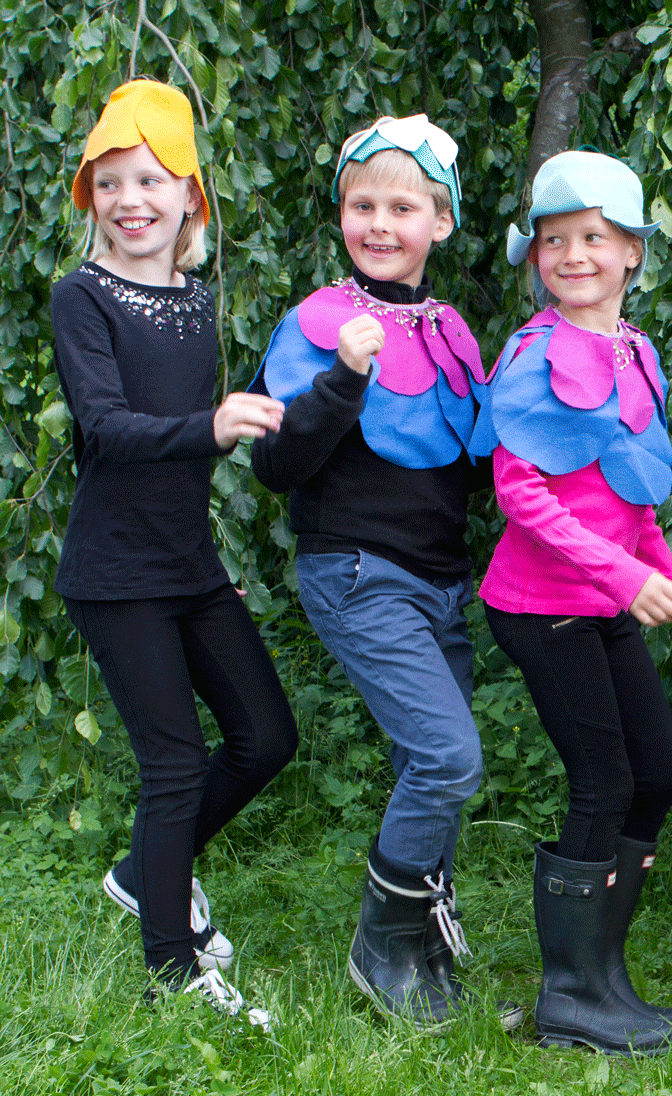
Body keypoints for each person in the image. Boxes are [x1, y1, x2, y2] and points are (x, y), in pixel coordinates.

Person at [250, 114, 519, 1029]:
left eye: (403, 205)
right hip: (358, 573)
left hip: (440, 584)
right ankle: (382, 945)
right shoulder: (321, 322)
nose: (380, 222)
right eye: (362, 204)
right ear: (341, 217)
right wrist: (344, 381)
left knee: (426, 758)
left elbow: (477, 469)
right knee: (448, 757)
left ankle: (419, 936)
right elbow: (276, 466)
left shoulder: (451, 329)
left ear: (439, 222)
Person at [52, 78, 297, 1027]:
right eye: (109, 184)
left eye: (151, 180)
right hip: (115, 577)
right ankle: (173, 969)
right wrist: (212, 424)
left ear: (190, 197)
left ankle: (141, 873)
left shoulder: (195, 301)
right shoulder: (83, 298)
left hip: (189, 566)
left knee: (268, 737)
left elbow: (187, 464)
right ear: (91, 200)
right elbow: (108, 430)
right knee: (175, 768)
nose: (131, 201)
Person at [470, 149, 672, 1056]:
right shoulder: (534, 351)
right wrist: (626, 581)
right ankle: (569, 997)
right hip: (542, 604)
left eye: (596, 239)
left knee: (662, 775)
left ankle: (604, 973)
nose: (574, 255)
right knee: (605, 780)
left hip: (607, 597)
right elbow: (521, 493)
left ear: (635, 254)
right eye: (555, 241)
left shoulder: (636, 353)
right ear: (536, 257)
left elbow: (631, 494)